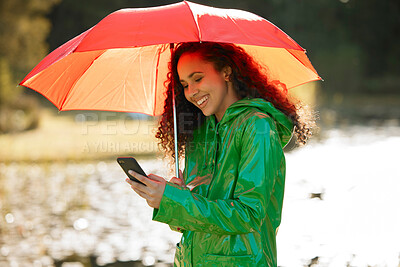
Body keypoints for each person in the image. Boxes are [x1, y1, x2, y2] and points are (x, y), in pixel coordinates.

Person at [125, 42, 314, 266]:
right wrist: (171, 197)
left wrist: (175, 200)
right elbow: (193, 221)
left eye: (198, 78)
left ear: (226, 71)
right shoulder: (199, 131)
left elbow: (248, 215)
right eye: (184, 84)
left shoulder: (257, 127)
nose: (191, 92)